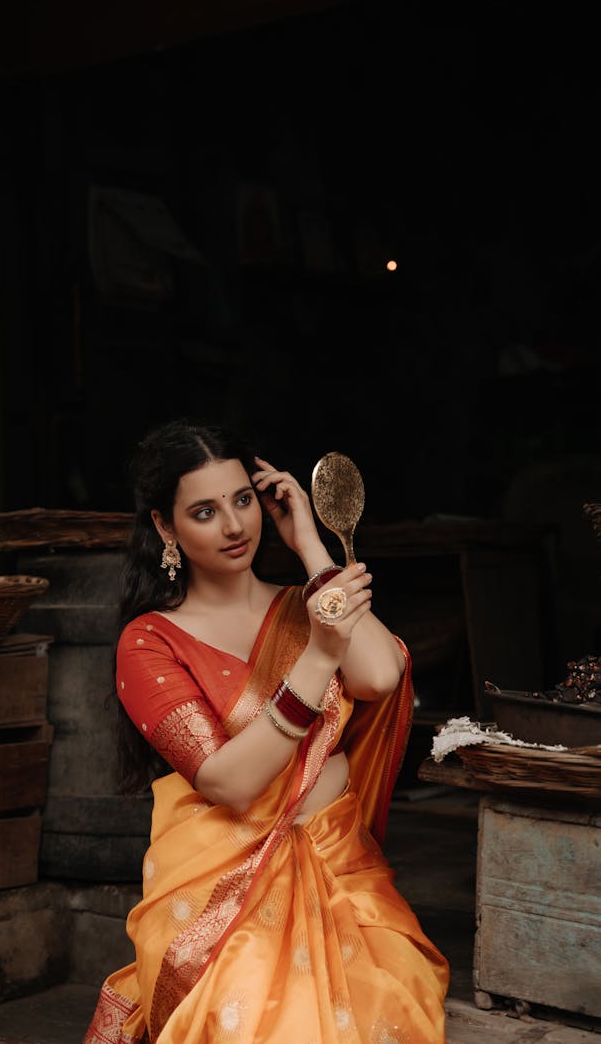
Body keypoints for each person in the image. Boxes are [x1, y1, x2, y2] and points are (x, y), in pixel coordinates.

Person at [83, 418, 449, 1044]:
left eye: (244, 500)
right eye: (204, 511)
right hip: (226, 899)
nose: (234, 526)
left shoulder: (300, 604)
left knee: (396, 1006)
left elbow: (382, 675)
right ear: (165, 527)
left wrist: (310, 545)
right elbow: (231, 783)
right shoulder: (149, 642)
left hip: (342, 876)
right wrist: (317, 656)